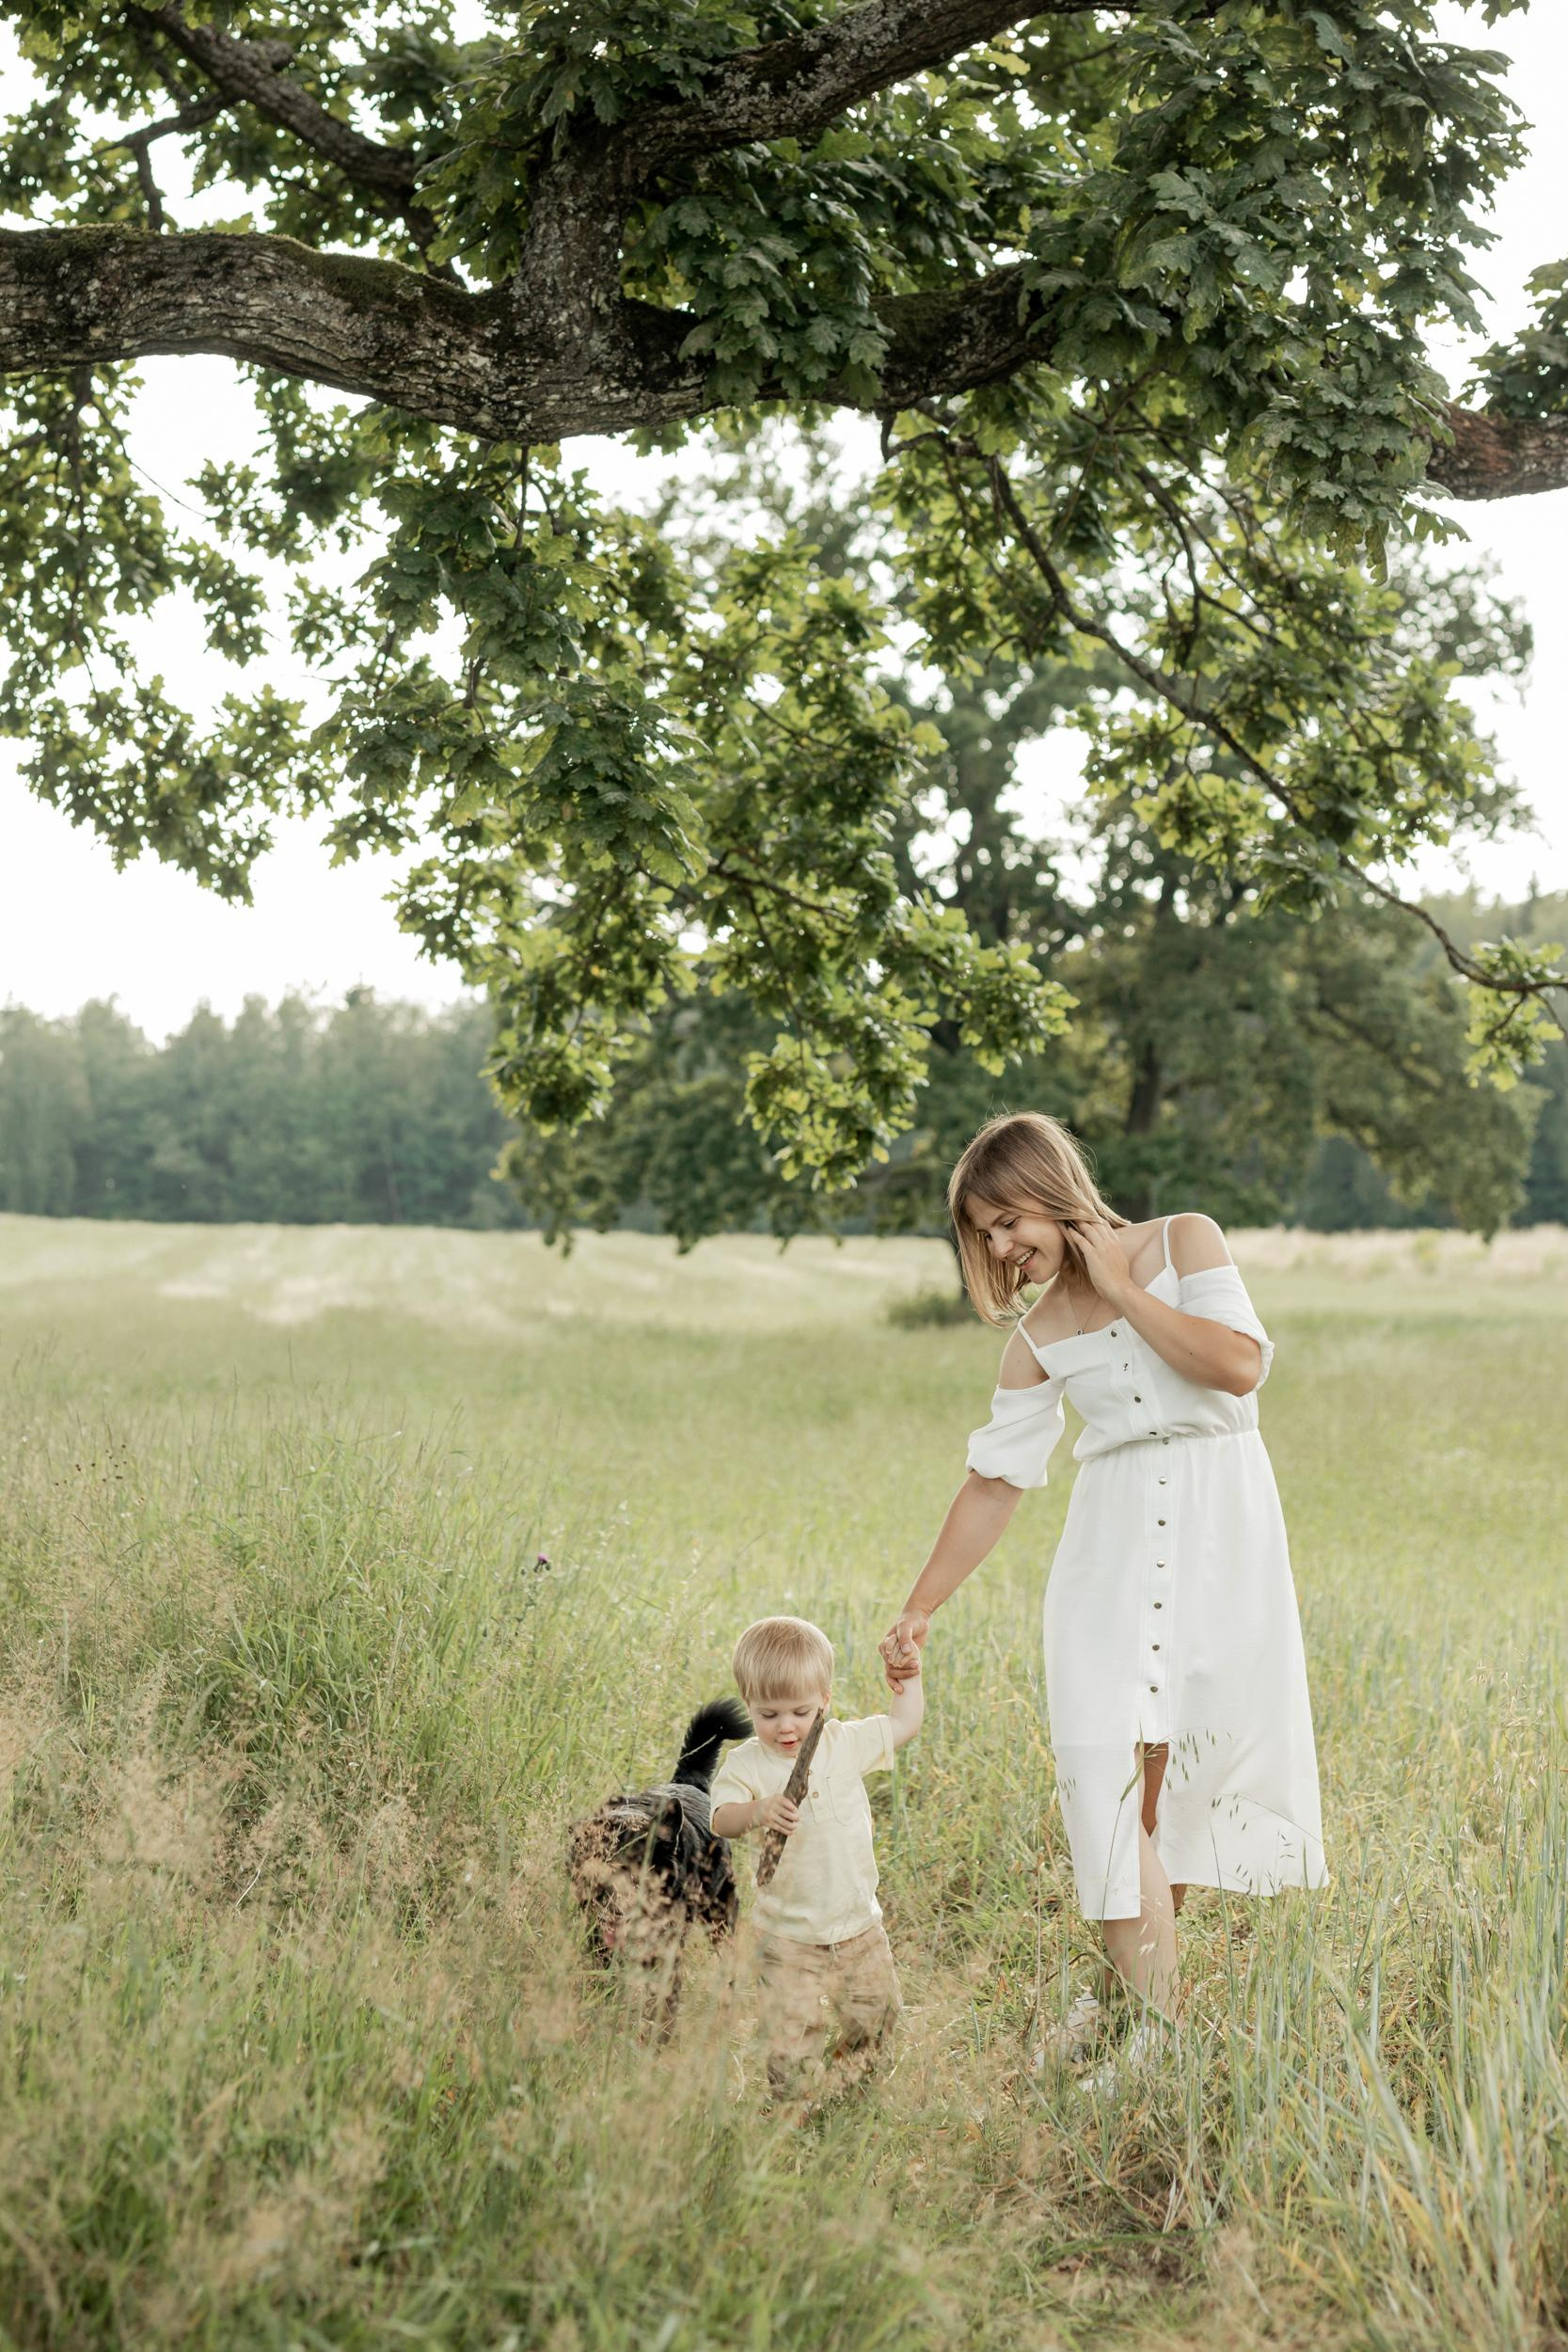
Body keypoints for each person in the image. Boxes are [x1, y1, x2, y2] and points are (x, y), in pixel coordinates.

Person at [879, 1111, 1326, 2085]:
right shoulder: (1034, 1336)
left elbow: (1237, 1365)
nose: (1000, 1249)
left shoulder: (1182, 1242)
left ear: (1049, 1185)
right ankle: (1156, 2036)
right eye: (984, 1236)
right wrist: (920, 1606)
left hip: (1220, 1536)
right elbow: (994, 1480)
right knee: (1102, 1785)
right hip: (1109, 1553)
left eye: (1005, 1222)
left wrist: (1120, 1288)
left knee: (1166, 1797)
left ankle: (1125, 1998)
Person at [712, 1614, 924, 2104]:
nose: (785, 1727)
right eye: (768, 1715)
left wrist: (908, 1679)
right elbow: (720, 1818)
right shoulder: (747, 1762)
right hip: (787, 1934)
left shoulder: (843, 1743)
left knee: (876, 2016)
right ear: (749, 1707)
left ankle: (848, 2089)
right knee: (791, 2036)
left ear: (825, 1700)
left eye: (800, 1712)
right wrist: (759, 1810)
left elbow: (906, 1722)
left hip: (857, 1924)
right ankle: (792, 2114)